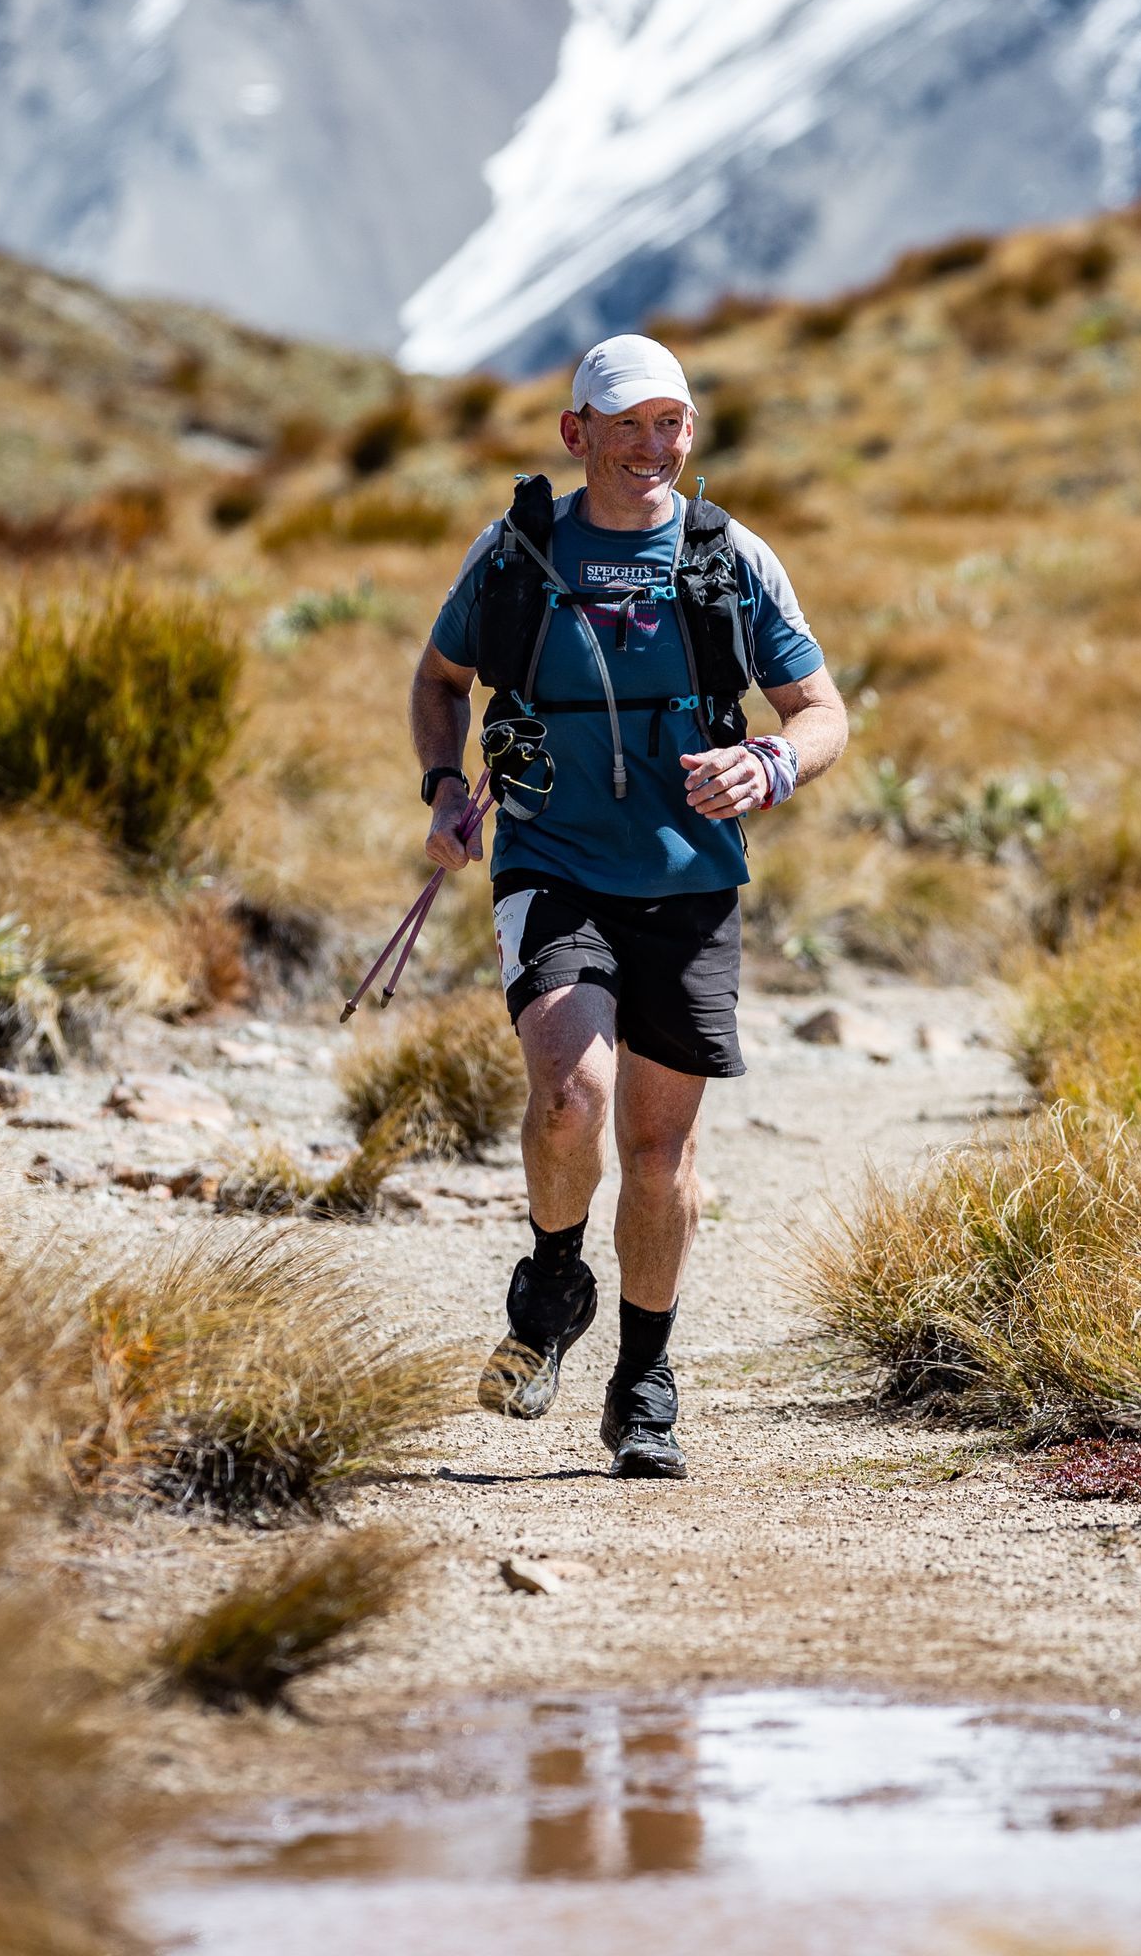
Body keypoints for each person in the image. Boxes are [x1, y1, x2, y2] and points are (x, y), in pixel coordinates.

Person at [408, 332, 848, 1479]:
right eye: (629, 423)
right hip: (549, 863)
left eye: (674, 423)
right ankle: (556, 1271)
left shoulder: (728, 556)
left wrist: (771, 766)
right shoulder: (517, 554)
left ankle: (642, 1384)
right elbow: (440, 678)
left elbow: (821, 709)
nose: (655, 445)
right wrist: (449, 787)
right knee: (572, 1093)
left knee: (659, 1153)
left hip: (692, 882)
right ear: (576, 435)